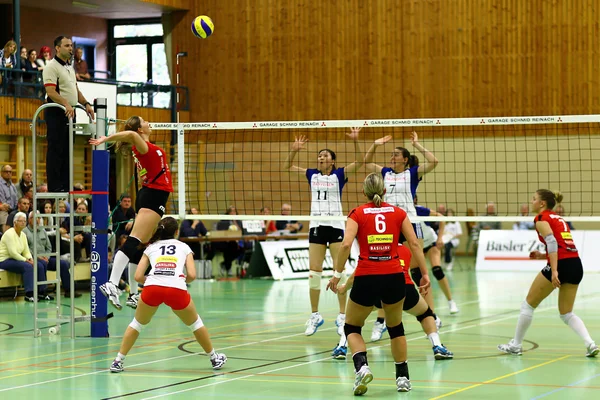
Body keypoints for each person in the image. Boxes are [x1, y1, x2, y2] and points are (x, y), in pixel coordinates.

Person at [327, 173, 430, 394]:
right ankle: (403, 379)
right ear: (385, 191)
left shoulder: (357, 213)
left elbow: (345, 245)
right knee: (396, 327)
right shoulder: (399, 212)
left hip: (366, 277)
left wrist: (337, 274)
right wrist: (424, 273)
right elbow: (413, 243)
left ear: (364, 192)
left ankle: (362, 367)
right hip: (394, 276)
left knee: (352, 327)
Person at [109, 217, 227, 373]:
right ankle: (214, 358)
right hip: (176, 289)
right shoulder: (184, 247)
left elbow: (138, 277)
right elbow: (192, 275)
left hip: (152, 288)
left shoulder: (150, 248)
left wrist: (153, 279)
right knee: (195, 324)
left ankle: (118, 361)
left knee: (137, 324)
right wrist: (176, 278)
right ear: (176, 232)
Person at [283, 128, 367, 336]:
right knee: (314, 272)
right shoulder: (311, 174)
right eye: (319, 155)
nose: (321, 158)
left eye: (325, 156)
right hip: (317, 226)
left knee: (339, 271)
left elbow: (360, 162)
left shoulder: (339, 175)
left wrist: (356, 141)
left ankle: (341, 315)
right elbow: (286, 166)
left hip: (336, 225)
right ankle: (315, 315)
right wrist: (294, 150)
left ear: (332, 161)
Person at [498, 190, 598, 357]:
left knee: (528, 305)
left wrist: (554, 271)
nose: (532, 202)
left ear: (542, 203)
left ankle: (516, 345)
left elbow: (551, 242)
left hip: (561, 265)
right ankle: (591, 344)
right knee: (566, 313)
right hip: (575, 264)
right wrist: (542, 256)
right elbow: (562, 247)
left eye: (534, 199)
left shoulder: (541, 219)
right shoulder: (558, 218)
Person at [90, 115, 173, 310]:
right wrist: (105, 139)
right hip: (153, 195)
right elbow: (128, 133)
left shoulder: (144, 146)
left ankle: (134, 294)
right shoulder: (142, 145)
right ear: (140, 130)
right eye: (144, 121)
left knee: (141, 244)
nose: (148, 122)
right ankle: (111, 283)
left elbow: (130, 134)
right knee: (134, 240)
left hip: (155, 196)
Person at [364, 132, 439, 314]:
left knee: (417, 272)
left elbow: (434, 162)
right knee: (386, 269)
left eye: (396, 154)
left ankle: (431, 314)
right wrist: (374, 144)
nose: (392, 157)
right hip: (391, 223)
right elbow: (365, 163)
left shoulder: (412, 173)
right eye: (391, 154)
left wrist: (417, 145)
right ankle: (382, 319)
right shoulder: (385, 173)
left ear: (405, 159)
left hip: (410, 221)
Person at [337, 244, 453, 360]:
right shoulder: (406, 250)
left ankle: (342, 346)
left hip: (376, 289)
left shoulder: (374, 250)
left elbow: (355, 276)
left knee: (352, 321)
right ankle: (437, 346)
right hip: (405, 288)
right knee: (425, 314)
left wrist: (344, 287)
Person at [43, 36, 95, 192]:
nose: (70, 48)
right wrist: (65, 103)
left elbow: (76, 91)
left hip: (70, 112)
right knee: (56, 149)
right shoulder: (51, 67)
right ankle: (54, 187)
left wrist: (86, 104)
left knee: (67, 150)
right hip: (56, 112)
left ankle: (65, 185)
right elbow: (50, 91)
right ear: (57, 48)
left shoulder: (70, 68)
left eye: (71, 45)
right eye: (67, 45)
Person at [24, 211, 81, 298]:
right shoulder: (25, 232)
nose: (37, 220)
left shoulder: (42, 231)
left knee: (63, 264)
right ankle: (42, 291)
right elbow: (25, 249)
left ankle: (69, 290)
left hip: (46, 258)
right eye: (34, 218)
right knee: (41, 265)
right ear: (29, 220)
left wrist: (47, 256)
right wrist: (37, 256)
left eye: (38, 218)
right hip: (33, 259)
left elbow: (49, 247)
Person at [0, 212, 51, 302]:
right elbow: (13, 253)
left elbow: (26, 251)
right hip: (5, 260)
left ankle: (42, 292)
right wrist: (27, 261)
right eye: (21, 221)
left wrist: (31, 259)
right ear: (15, 222)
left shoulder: (23, 235)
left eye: (24, 221)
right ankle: (29, 294)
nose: (23, 223)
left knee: (39, 265)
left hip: (16, 259)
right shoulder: (9, 234)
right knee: (27, 266)